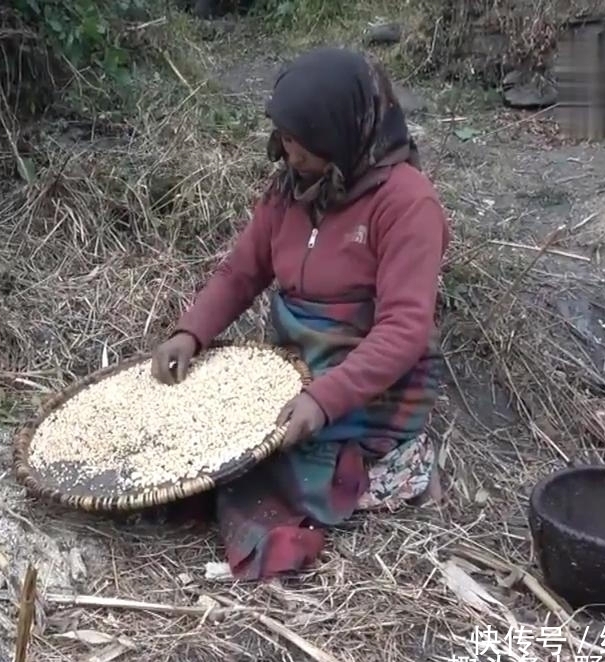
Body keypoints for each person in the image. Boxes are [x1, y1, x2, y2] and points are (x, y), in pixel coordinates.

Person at [150, 47, 451, 581]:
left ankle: (395, 465)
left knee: (264, 474)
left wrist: (324, 398)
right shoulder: (291, 187)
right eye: (285, 140)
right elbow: (241, 271)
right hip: (291, 366)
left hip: (368, 388)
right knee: (198, 442)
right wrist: (190, 332)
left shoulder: (406, 204)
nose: (289, 155)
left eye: (303, 144)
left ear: (343, 133)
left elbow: (405, 329)